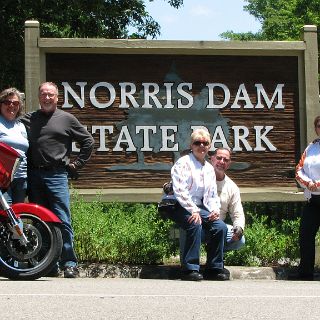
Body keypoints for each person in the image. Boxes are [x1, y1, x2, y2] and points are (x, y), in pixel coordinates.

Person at [22, 82, 94, 278]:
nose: (47, 98)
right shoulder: (28, 119)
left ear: (57, 98)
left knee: (62, 219)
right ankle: (48, 264)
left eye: (50, 95)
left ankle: (69, 263)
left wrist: (77, 164)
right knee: (40, 222)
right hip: (34, 176)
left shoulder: (67, 119)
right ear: (39, 97)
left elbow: (88, 141)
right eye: (43, 94)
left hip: (57, 175)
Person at [170, 128, 228, 281]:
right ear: (191, 145)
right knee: (195, 223)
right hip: (178, 204)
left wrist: (215, 210)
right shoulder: (183, 163)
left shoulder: (209, 168)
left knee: (220, 226)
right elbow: (180, 190)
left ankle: (214, 268)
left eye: (205, 143)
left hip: (199, 207)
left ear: (209, 146)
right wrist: (193, 210)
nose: (201, 146)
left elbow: (212, 194)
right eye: (197, 143)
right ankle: (189, 269)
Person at [290, 115, 320, 281]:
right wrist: (309, 183)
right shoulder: (311, 147)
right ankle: (306, 272)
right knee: (306, 236)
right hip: (313, 200)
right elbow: (299, 170)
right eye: (319, 126)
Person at [210, 147, 245, 251]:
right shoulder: (200, 177)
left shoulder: (232, 187)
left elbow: (237, 213)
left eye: (225, 160)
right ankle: (189, 265)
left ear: (229, 163)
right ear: (212, 159)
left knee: (240, 240)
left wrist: (239, 228)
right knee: (189, 226)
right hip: (198, 222)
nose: (222, 162)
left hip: (218, 227)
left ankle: (213, 257)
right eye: (219, 158)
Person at [0, 88, 28, 204]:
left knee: (18, 215)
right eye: (7, 102)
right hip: (2, 179)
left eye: (15, 103)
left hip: (21, 179)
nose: (11, 105)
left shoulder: (21, 125)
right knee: (7, 215)